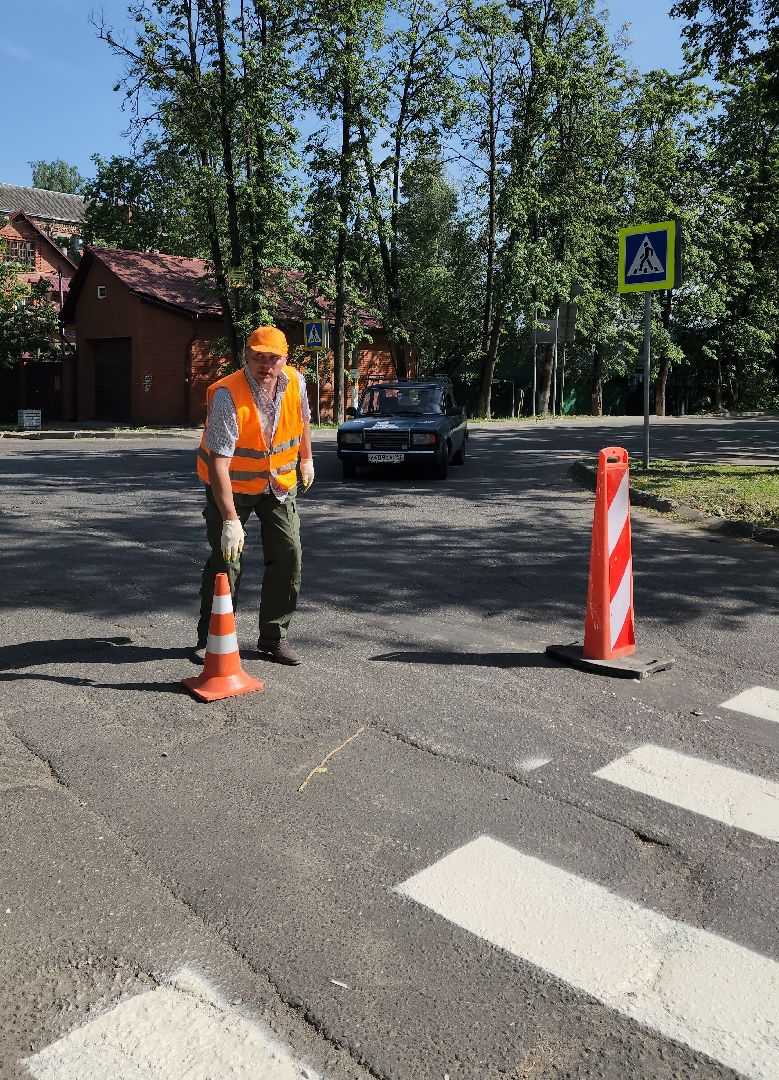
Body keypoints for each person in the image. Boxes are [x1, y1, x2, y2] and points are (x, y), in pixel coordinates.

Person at [192, 325, 314, 666]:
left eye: (272, 358)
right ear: (246, 355)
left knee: (289, 552)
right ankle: (212, 639)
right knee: (226, 560)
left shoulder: (296, 382)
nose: (265, 364)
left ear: (284, 359)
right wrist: (230, 519)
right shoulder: (226, 395)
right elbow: (218, 462)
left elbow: (303, 421)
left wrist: (306, 458)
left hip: (277, 484)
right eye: (258, 356)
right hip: (231, 487)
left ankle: (274, 638)